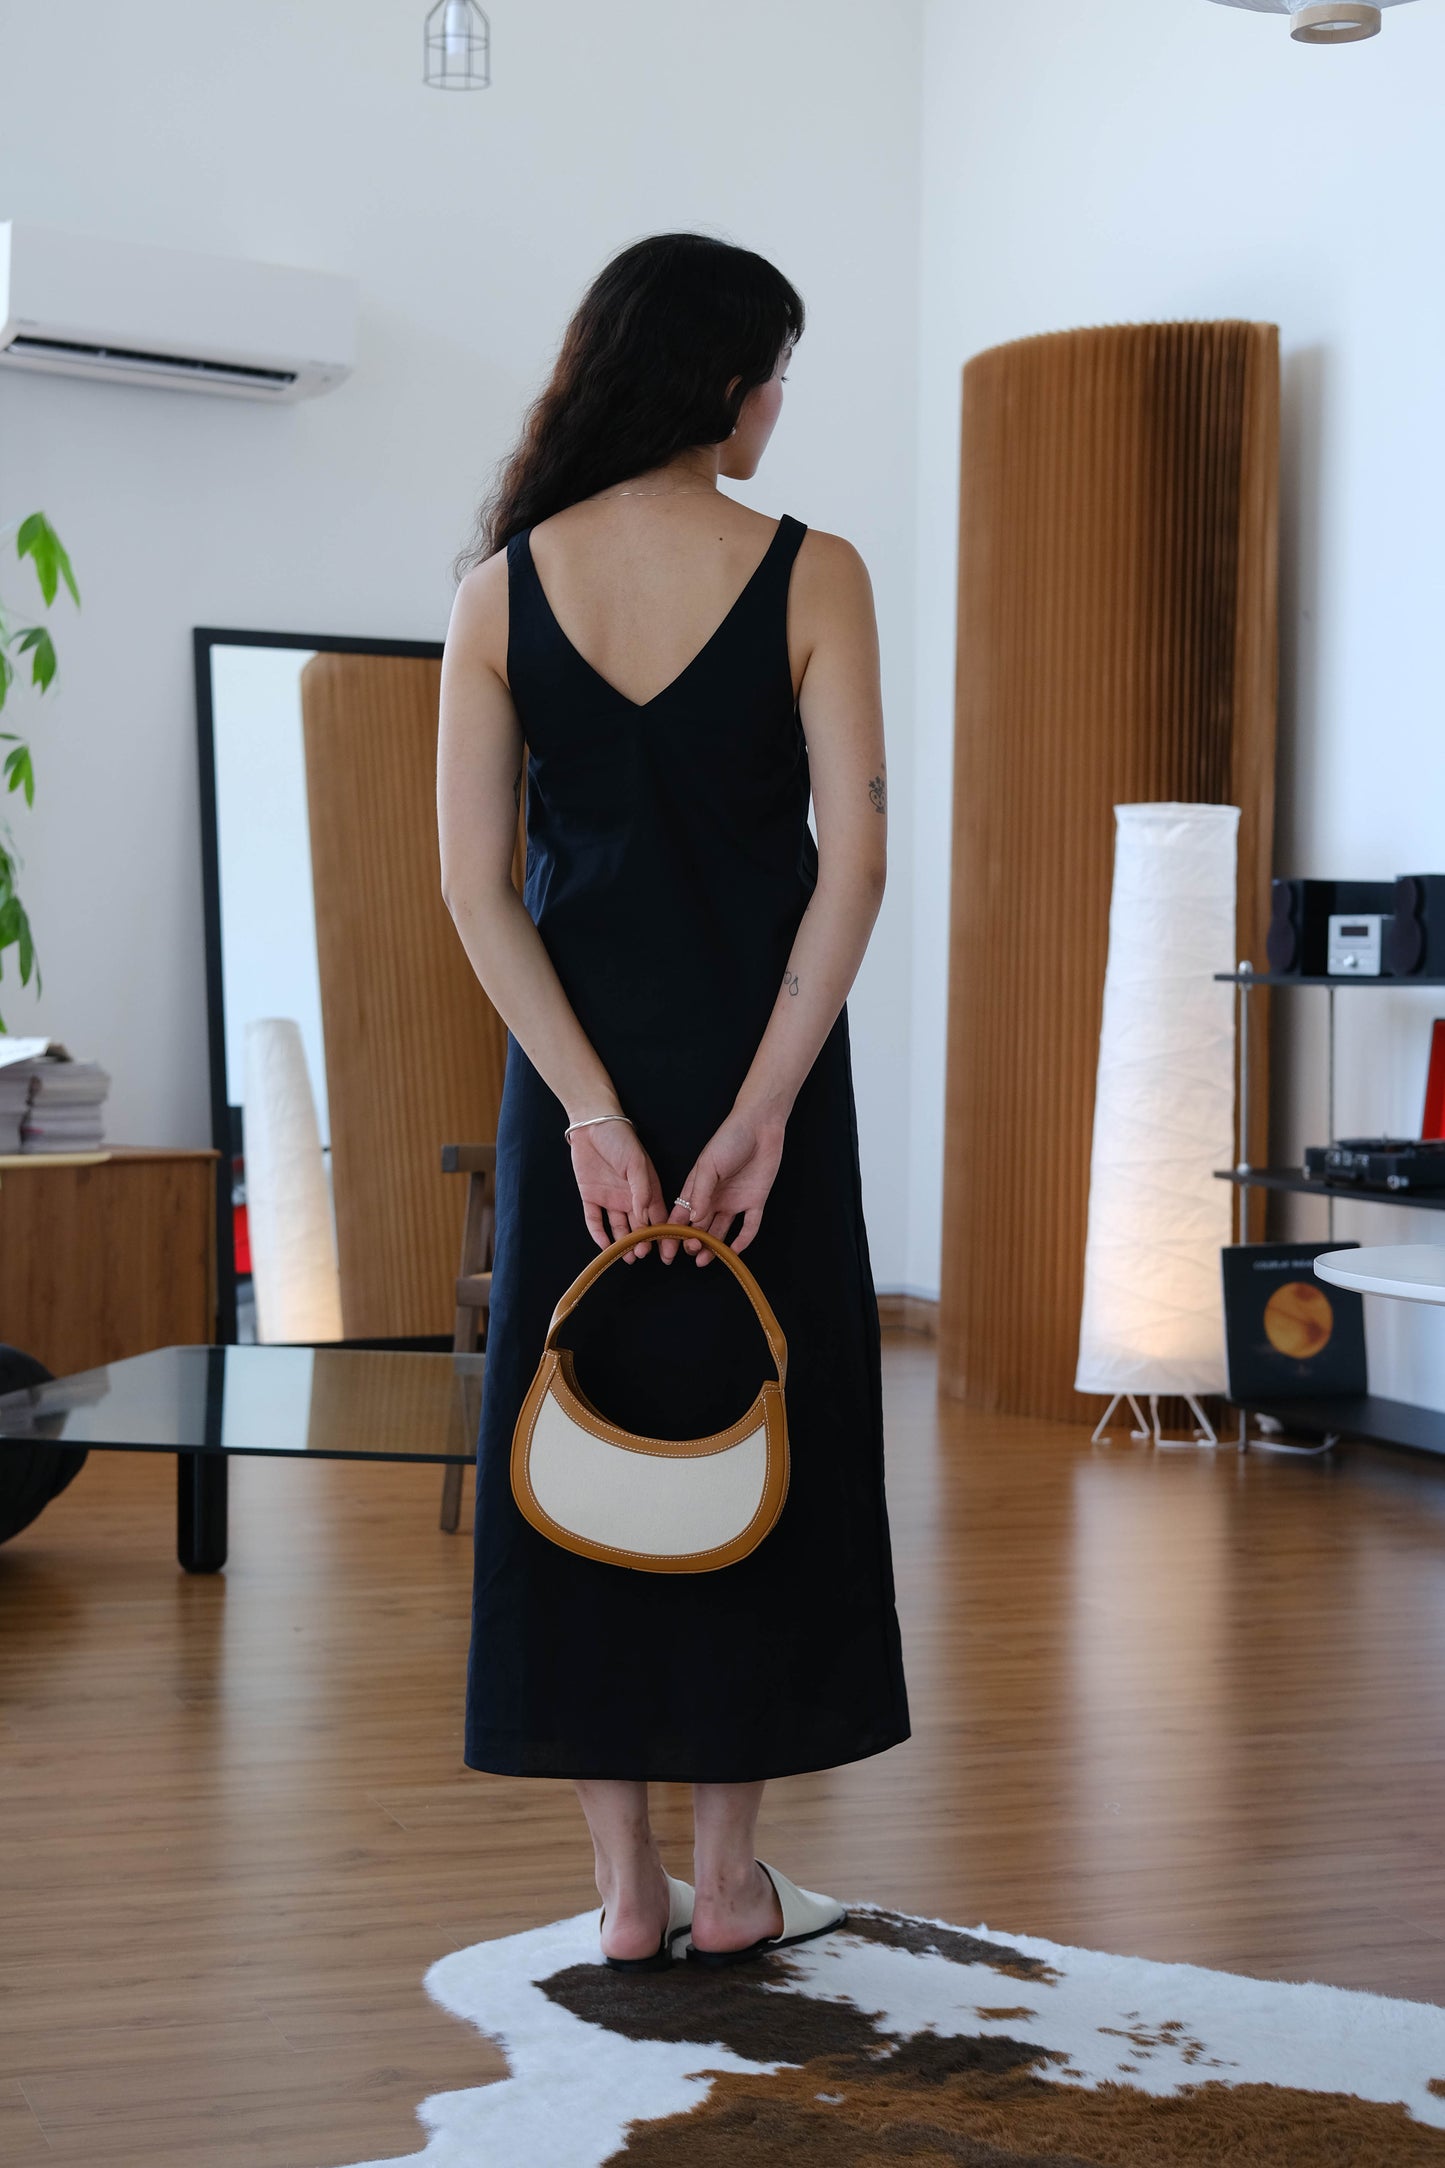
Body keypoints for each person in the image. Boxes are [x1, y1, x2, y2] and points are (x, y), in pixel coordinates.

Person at [437, 231, 910, 1971]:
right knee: (759, 1436)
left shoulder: (501, 590)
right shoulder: (813, 571)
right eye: (773, 371)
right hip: (755, 1072)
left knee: (579, 1435)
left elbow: (478, 888)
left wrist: (585, 1114)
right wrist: (766, 1107)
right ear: (720, 380)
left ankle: (625, 1894)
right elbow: (854, 864)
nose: (778, 402)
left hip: (580, 1089)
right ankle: (731, 1883)